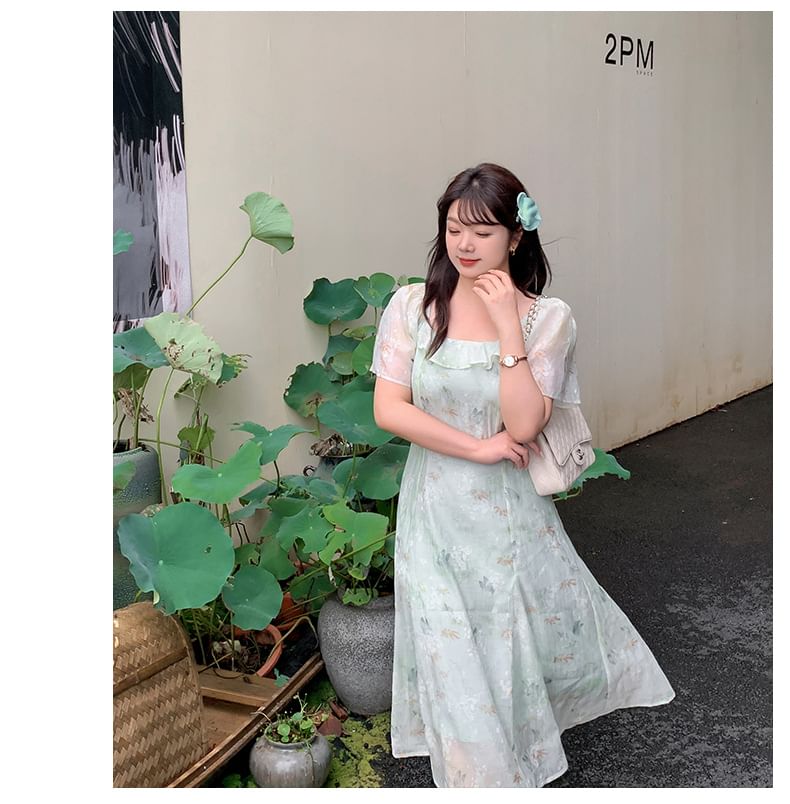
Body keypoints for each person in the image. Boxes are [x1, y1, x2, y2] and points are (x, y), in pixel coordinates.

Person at [370, 163, 675, 788]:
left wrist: (509, 324)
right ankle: (479, 775)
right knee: (445, 637)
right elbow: (389, 409)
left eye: (482, 233)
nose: (464, 245)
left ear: (515, 237)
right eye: (454, 228)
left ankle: (502, 758)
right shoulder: (411, 307)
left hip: (506, 515)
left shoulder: (547, 319)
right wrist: (475, 448)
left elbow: (525, 422)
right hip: (433, 504)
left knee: (501, 633)